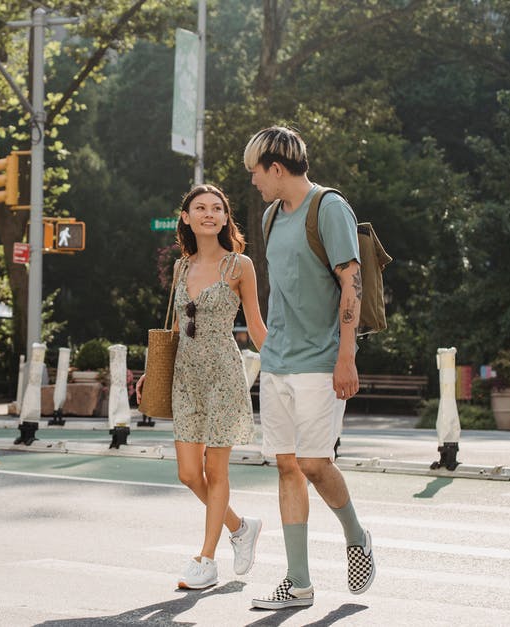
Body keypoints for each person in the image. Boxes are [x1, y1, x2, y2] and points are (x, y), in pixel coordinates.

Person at [242, 126, 376, 609]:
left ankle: (357, 535)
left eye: (256, 172)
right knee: (286, 467)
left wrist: (346, 356)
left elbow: (352, 283)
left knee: (316, 464)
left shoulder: (330, 208)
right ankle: (298, 582)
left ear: (276, 169)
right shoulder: (272, 215)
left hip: (321, 362)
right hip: (278, 360)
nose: (253, 181)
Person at [135, 183, 268, 590]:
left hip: (223, 376)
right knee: (189, 474)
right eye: (200, 208)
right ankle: (241, 527)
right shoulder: (181, 267)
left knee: (216, 469)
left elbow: (258, 329)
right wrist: (151, 371)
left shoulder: (239, 266)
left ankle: (206, 560)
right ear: (187, 218)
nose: (209, 214)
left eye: (217, 208)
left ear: (226, 218)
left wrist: (288, 366)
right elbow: (176, 326)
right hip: (185, 376)